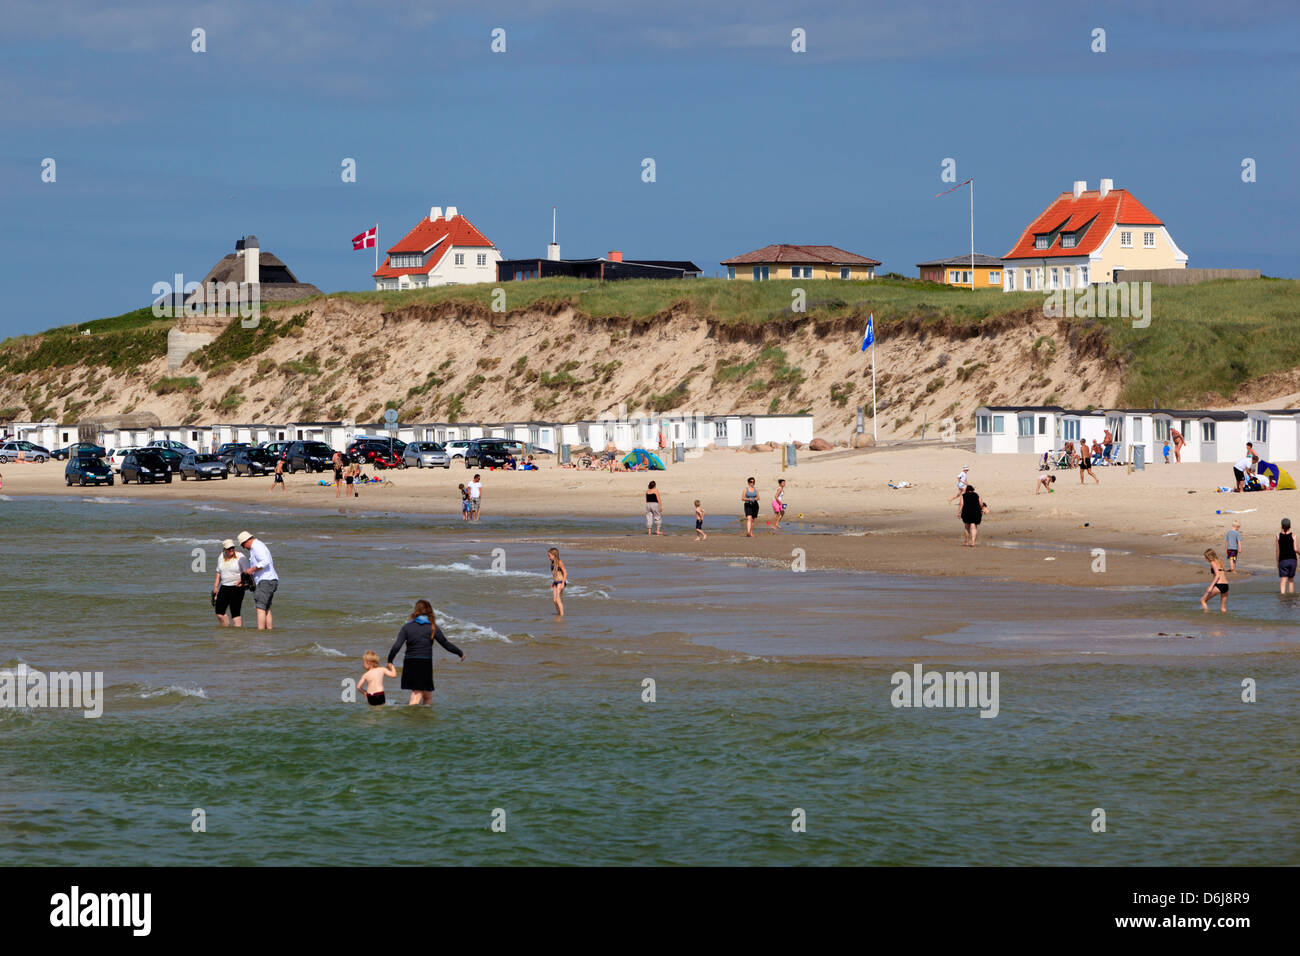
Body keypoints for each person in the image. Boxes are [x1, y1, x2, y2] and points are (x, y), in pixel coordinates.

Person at [387, 600, 463, 706]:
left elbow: (396, 646)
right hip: (424, 663)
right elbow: (446, 644)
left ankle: (425, 719)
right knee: (417, 693)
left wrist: (390, 660)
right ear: (430, 611)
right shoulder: (432, 627)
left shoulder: (407, 627)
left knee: (427, 695)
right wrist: (460, 653)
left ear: (415, 611)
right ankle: (411, 717)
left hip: (410, 663)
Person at [237, 530, 278, 630]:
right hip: (271, 580)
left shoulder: (256, 546)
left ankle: (260, 632)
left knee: (260, 608)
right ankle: (269, 631)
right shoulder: (259, 545)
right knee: (266, 608)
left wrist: (251, 569)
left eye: (243, 545)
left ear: (247, 541)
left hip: (265, 581)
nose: (243, 547)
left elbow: (265, 562)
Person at [211, 538, 250, 627]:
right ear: (224, 549)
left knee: (235, 612)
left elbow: (247, 571)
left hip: (237, 587)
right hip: (224, 586)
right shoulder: (221, 556)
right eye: (229, 548)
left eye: (233, 547)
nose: (231, 549)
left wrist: (240, 581)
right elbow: (218, 573)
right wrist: (216, 587)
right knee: (219, 612)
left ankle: (237, 634)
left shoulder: (240, 557)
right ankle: (227, 630)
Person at [1277, 518, 1297, 595]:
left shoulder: (1278, 536)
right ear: (1290, 526)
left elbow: (1277, 550)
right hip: (1292, 560)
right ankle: (1291, 596)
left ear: (1281, 526)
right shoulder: (1293, 535)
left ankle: (1282, 596)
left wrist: (1277, 561)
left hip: (1282, 560)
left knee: (1283, 580)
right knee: (1291, 580)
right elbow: (1295, 549)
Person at [548, 547, 567, 617]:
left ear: (554, 555)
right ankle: (559, 613)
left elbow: (565, 572)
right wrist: (553, 583)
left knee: (558, 599)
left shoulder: (560, 562)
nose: (549, 558)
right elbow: (555, 574)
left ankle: (562, 615)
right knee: (554, 600)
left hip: (560, 582)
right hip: (556, 582)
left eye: (549, 556)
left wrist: (563, 583)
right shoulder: (552, 563)